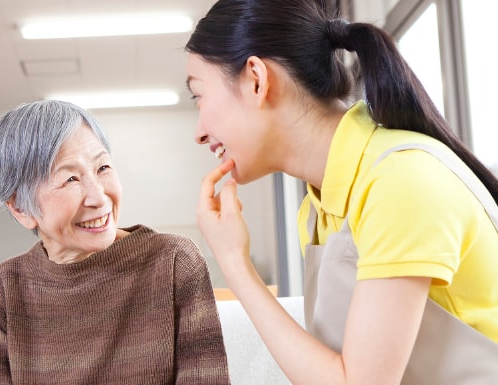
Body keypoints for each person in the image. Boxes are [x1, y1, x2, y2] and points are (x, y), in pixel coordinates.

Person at [184, 0, 498, 384]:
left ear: (255, 79)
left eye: (198, 96)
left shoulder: (399, 182)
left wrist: (235, 264)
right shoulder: (316, 210)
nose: (198, 132)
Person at [0, 99, 230, 385]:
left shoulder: (173, 262)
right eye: (70, 179)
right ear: (21, 208)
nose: (99, 197)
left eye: (103, 167)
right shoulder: (4, 290)